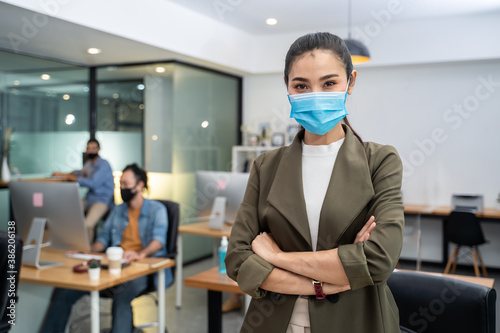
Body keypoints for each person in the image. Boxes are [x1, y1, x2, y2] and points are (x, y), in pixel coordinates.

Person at [225, 32, 404, 333]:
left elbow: (378, 260)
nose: (316, 95)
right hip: (275, 323)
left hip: (357, 321)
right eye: (301, 86)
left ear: (351, 82)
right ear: (288, 89)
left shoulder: (380, 161)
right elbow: (238, 260)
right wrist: (326, 283)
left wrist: (276, 257)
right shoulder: (266, 165)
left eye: (329, 83)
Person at [41, 163, 173, 333]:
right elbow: (104, 239)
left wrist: (140, 254)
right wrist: (88, 250)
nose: (122, 188)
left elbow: (158, 241)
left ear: (140, 185)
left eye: (126, 184)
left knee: (121, 295)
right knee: (64, 291)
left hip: (142, 268)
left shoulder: (157, 210)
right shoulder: (118, 211)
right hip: (114, 264)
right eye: (120, 184)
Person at [53, 138, 114, 241]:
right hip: (89, 198)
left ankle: (86, 251)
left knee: (87, 225)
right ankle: (69, 243)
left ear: (98, 149)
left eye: (93, 148)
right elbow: (81, 172)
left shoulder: (104, 165)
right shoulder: (89, 164)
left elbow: (93, 183)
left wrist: (71, 177)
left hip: (102, 200)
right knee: (67, 213)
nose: (91, 151)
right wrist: (65, 174)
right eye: (89, 148)